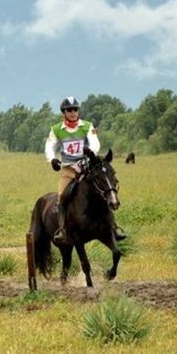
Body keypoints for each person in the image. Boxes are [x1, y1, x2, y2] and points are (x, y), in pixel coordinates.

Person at [44, 96, 126, 245]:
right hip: (68, 170)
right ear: (64, 112)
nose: (73, 112)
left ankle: (114, 227)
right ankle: (62, 229)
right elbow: (49, 146)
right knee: (62, 196)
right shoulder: (56, 129)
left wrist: (91, 151)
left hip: (86, 168)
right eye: (69, 110)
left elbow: (95, 143)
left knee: (103, 192)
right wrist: (53, 159)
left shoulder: (88, 126)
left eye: (75, 109)